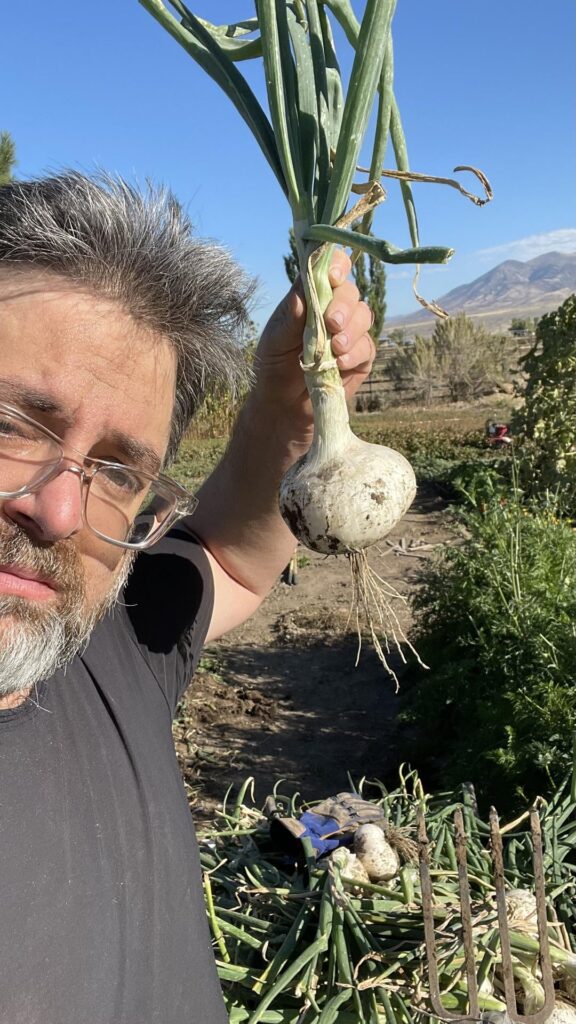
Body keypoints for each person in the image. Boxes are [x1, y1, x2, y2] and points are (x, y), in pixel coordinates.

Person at [0, 172, 375, 1024]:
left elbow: (232, 559)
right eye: (10, 424)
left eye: (119, 470)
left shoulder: (102, 643)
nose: (58, 512)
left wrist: (296, 402)